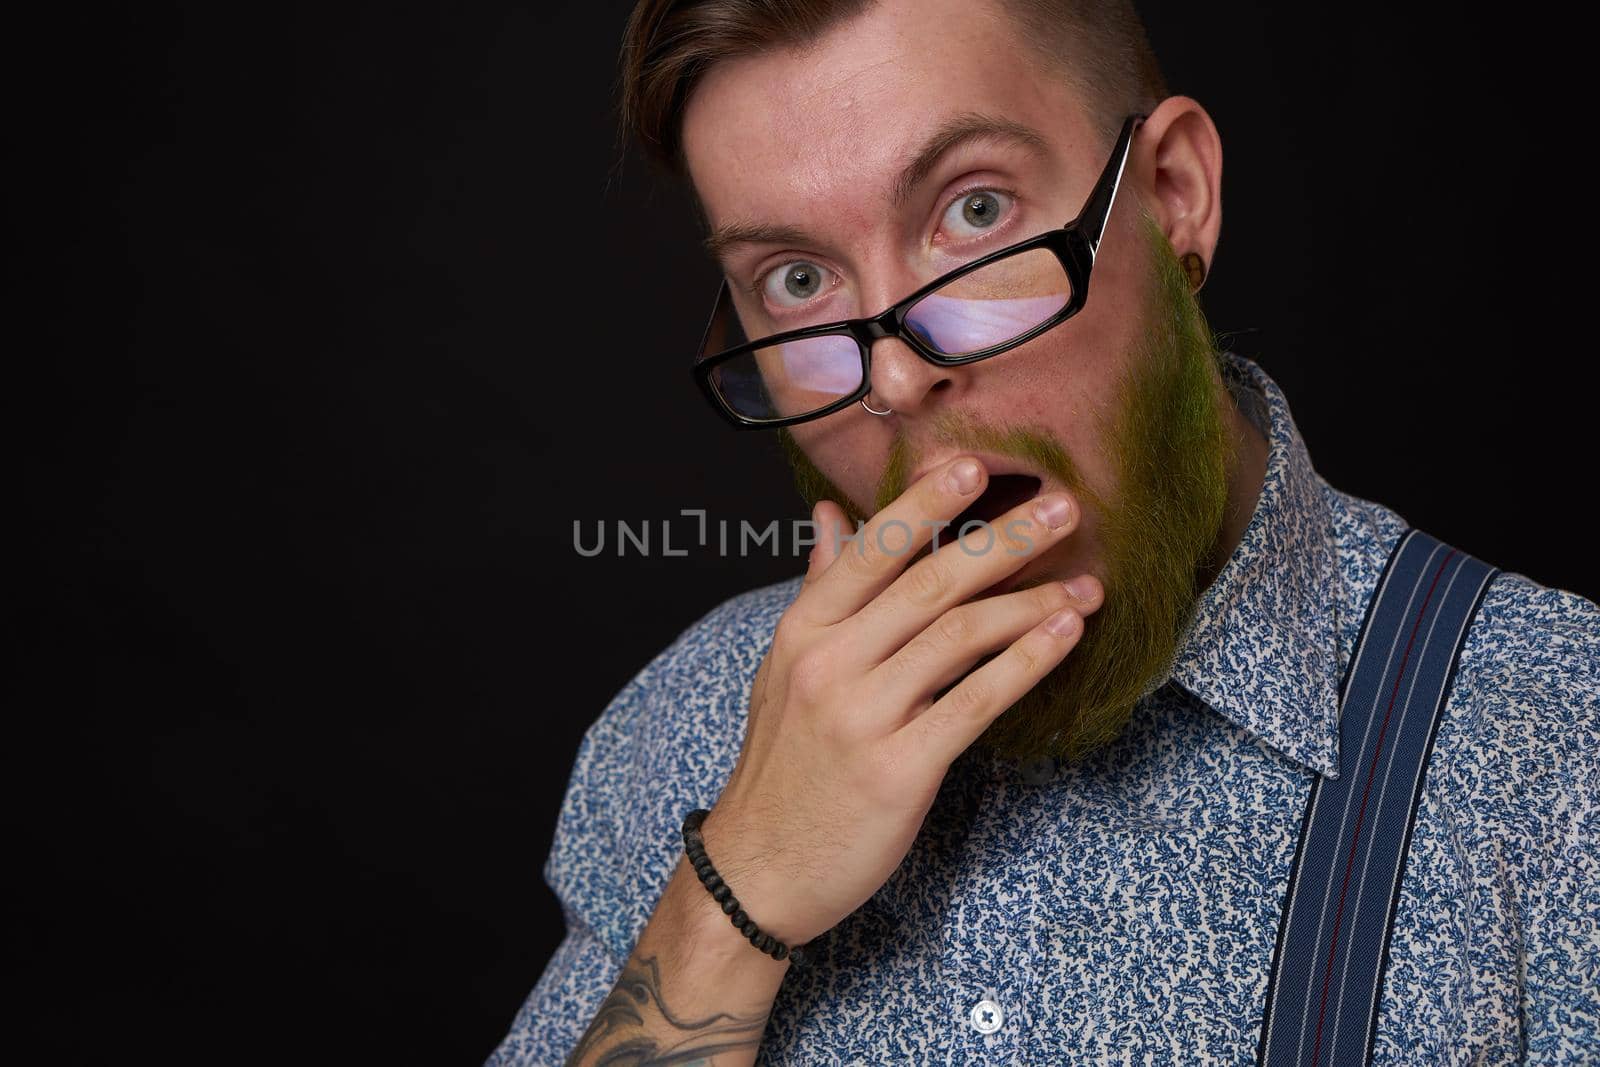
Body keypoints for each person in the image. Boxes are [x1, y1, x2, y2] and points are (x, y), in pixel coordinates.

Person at [487, 0, 1600, 1062]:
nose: (896, 374)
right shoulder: (691, 724)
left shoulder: (1553, 747)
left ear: (1171, 193)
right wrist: (734, 890)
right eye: (794, 279)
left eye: (974, 210)